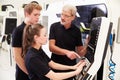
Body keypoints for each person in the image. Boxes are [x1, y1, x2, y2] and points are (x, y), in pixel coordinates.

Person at [49, 4, 86, 80]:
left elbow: (80, 53)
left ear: (73, 17)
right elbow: (51, 47)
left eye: (66, 15)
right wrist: (67, 52)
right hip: (55, 67)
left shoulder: (76, 31)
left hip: (70, 68)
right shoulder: (54, 27)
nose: (62, 17)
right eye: (62, 14)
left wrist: (87, 44)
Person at [12, 3, 42, 80]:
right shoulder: (18, 31)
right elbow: (17, 57)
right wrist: (29, 73)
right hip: (24, 73)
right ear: (27, 14)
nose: (38, 17)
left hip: (35, 70)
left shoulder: (35, 30)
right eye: (35, 15)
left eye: (39, 15)